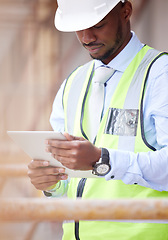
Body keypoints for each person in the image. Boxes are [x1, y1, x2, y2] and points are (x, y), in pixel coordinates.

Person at [28, 0, 168, 239]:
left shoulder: (160, 75)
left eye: (97, 25)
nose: (86, 37)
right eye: (78, 28)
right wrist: (51, 184)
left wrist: (102, 159)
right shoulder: (73, 83)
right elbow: (70, 183)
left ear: (125, 11)